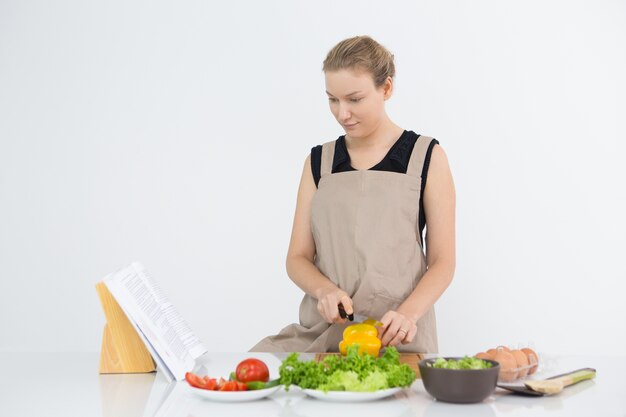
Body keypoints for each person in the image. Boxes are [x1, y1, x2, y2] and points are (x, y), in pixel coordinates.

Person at [249, 35, 456, 353]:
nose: (342, 113)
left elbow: (443, 262)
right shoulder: (319, 162)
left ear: (386, 89)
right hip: (325, 335)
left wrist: (408, 314)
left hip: (397, 338)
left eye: (354, 99)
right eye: (332, 99)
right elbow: (297, 257)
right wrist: (325, 291)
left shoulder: (426, 156)